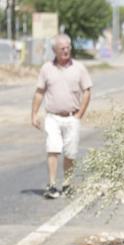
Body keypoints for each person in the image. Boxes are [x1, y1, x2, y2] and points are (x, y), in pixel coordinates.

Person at [30, 34, 92, 199]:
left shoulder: (79, 68)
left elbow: (87, 90)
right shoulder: (46, 69)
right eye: (62, 48)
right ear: (54, 50)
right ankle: (51, 184)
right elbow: (39, 92)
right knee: (53, 148)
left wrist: (80, 114)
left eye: (67, 47)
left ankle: (67, 184)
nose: (65, 50)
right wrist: (34, 114)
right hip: (52, 117)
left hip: (72, 117)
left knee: (70, 153)